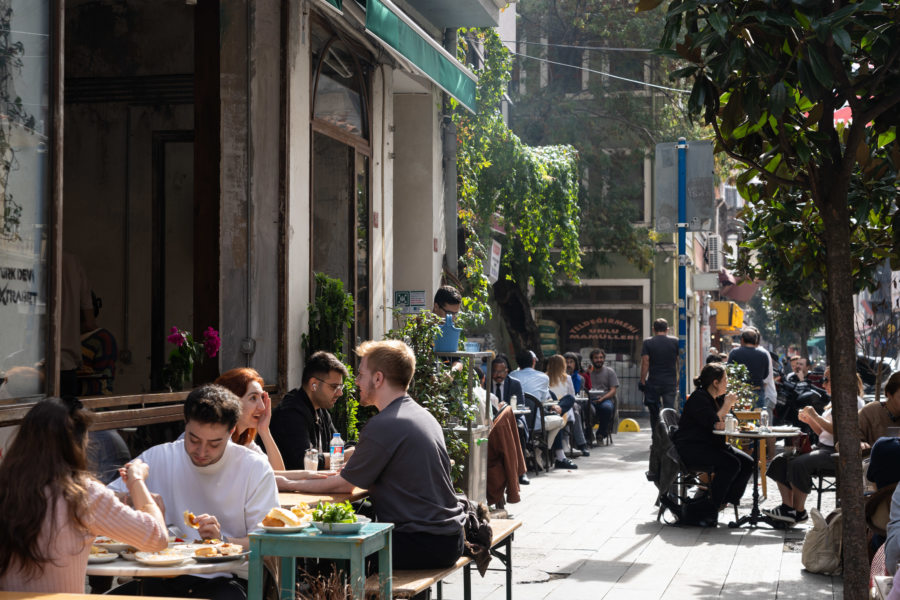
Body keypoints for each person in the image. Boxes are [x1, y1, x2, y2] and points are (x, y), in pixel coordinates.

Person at [288, 340, 467, 570]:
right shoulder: (421, 414)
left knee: (329, 562)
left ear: (378, 379)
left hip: (424, 541)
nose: (357, 382)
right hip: (447, 536)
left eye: (361, 374)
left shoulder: (384, 424)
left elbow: (343, 485)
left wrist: (289, 484)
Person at [109, 384, 278, 600]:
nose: (201, 451)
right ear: (185, 424)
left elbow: (267, 545)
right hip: (162, 577)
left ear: (232, 430)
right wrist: (136, 499)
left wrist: (222, 542)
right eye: (193, 439)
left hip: (227, 580)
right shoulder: (159, 457)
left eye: (214, 444)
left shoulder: (254, 467)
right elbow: (100, 500)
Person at [0, 398, 167, 592]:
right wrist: (137, 480)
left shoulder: (6, 486)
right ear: (78, 445)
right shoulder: (83, 495)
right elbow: (157, 538)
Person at [215, 367, 328, 491]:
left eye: (261, 398)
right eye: (253, 398)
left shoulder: (245, 440)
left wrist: (264, 431)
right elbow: (270, 477)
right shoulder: (218, 440)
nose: (262, 407)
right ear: (231, 401)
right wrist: (304, 477)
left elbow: (276, 471)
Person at [672, 363, 754, 516]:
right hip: (693, 449)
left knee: (748, 462)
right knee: (731, 464)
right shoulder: (699, 398)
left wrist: (727, 409)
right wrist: (727, 405)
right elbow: (714, 422)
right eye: (725, 380)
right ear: (715, 383)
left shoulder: (717, 398)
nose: (727, 384)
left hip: (713, 445)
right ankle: (711, 506)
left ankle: (724, 500)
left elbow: (726, 422)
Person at [763, 366, 839, 524]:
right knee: (781, 460)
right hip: (823, 447)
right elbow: (824, 433)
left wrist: (815, 416)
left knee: (798, 464)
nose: (823, 384)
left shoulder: (850, 402)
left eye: (826, 380)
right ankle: (787, 508)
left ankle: (799, 512)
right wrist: (810, 420)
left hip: (834, 452)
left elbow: (838, 431)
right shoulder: (834, 401)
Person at [270, 351, 353, 471]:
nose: (340, 393)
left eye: (341, 387)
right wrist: (345, 455)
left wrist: (355, 449)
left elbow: (339, 445)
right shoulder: (290, 413)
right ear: (313, 384)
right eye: (334, 387)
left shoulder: (321, 411)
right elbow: (305, 461)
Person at [510, 349, 574, 470]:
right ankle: (540, 448)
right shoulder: (543, 377)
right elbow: (545, 400)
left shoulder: (511, 376)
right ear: (533, 362)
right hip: (536, 422)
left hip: (516, 419)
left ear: (518, 363)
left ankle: (539, 449)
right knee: (558, 420)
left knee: (557, 412)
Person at [60, 252, 97, 396]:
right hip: (68, 363)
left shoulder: (36, 259)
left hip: (36, 366)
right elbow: (90, 323)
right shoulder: (73, 262)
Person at [640, 318, 680, 432]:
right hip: (669, 383)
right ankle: (670, 437)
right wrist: (678, 380)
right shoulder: (675, 342)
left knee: (654, 413)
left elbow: (645, 362)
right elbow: (679, 362)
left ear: (653, 329)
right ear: (667, 329)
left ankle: (655, 438)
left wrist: (643, 380)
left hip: (653, 382)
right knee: (669, 411)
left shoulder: (648, 342)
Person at [547, 354, 590, 457]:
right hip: (558, 407)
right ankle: (578, 443)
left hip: (552, 406)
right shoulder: (566, 378)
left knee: (573, 409)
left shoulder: (545, 376)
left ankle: (568, 443)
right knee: (573, 409)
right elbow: (571, 395)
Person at [727, 328, 771, 409]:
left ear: (742, 340)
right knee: (757, 418)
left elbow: (729, 372)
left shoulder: (735, 352)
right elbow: (765, 375)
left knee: (739, 419)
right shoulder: (763, 354)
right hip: (758, 392)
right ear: (756, 340)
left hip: (739, 392)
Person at [588, 349, 618, 445]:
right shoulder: (587, 372)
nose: (599, 360)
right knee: (585, 409)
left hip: (605, 399)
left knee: (607, 408)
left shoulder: (610, 372)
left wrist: (603, 398)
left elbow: (613, 390)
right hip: (590, 400)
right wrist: (586, 374)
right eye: (596, 358)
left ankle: (601, 434)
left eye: (601, 358)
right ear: (592, 359)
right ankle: (588, 434)